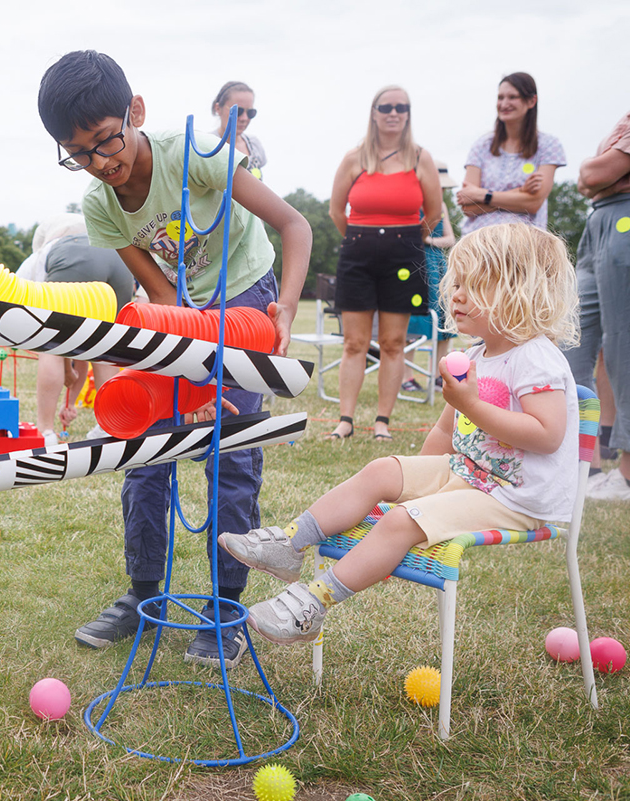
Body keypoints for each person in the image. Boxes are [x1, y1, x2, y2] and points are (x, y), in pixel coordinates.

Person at [37, 51, 311, 667]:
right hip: (176, 309)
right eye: (79, 153)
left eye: (107, 141)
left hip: (247, 296)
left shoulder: (197, 155)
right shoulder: (100, 206)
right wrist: (183, 367)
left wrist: (286, 308)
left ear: (135, 111)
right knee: (144, 444)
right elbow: (160, 292)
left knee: (230, 449)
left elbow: (295, 226)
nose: (101, 163)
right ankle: (141, 594)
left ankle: (224, 609)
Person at [220, 224, 579, 644]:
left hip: (515, 496)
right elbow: (446, 430)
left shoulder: (537, 358)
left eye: (473, 285)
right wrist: (415, 483)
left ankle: (313, 603)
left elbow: (547, 434)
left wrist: (472, 407)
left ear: (519, 291)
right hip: (469, 474)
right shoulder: (477, 353)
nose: (456, 295)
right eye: (456, 283)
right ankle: (290, 543)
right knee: (380, 470)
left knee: (402, 521)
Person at [326, 86, 442, 441]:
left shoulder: (422, 159)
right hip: (357, 253)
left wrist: (404, 241)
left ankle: (382, 423)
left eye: (401, 107)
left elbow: (434, 214)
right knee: (354, 343)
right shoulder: (354, 158)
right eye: (386, 107)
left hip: (404, 255)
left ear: (408, 114)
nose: (394, 113)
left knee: (393, 342)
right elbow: (336, 211)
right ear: (374, 113)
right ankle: (345, 420)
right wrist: (363, 239)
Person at [16, 213, 136, 444]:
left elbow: (15, 296)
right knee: (105, 344)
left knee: (48, 343)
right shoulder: (90, 231)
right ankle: (109, 426)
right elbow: (81, 346)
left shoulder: (40, 256)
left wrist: (66, 369)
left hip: (73, 257)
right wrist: (69, 400)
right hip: (118, 259)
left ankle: (45, 431)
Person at [568, 106, 630, 500]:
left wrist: (597, 172)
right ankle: (584, 466)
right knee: (570, 337)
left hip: (625, 220)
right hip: (598, 221)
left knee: (623, 346)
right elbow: (588, 182)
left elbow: (590, 175)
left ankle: (626, 475)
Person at [456, 73, 565, 234]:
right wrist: (520, 193)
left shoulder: (549, 145)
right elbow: (468, 206)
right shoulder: (482, 145)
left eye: (512, 97)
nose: (504, 104)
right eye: (500, 98)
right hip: (481, 244)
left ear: (531, 101)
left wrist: (483, 195)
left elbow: (533, 203)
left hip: (526, 243)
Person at [404, 161, 460, 393]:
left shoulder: (443, 206)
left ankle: (439, 377)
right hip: (415, 263)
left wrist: (430, 241)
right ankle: (407, 378)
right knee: (414, 320)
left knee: (445, 316)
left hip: (438, 264)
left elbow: (451, 239)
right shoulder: (410, 203)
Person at [211, 81, 266, 179]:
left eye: (250, 112)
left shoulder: (254, 145)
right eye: (238, 111)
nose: (244, 118)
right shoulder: (208, 146)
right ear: (218, 108)